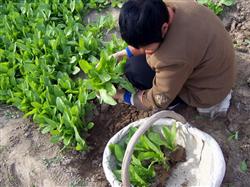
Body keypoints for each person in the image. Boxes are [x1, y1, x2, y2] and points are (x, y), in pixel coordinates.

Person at [112, 0, 235, 118]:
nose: (143, 51)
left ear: (164, 28)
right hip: (214, 59)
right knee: (135, 64)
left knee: (137, 72)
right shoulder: (163, 7)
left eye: (146, 48)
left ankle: (177, 102)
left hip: (210, 90)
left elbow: (157, 99)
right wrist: (124, 53)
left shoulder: (173, 57)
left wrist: (123, 96)